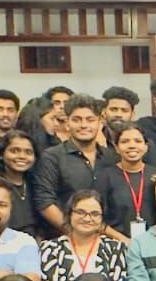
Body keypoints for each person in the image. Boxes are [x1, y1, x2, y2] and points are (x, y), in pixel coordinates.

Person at [38, 190, 129, 281]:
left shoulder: (116, 248)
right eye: (80, 212)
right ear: (69, 214)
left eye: (94, 214)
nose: (87, 218)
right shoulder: (50, 248)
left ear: (102, 219)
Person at [33, 94, 109, 234]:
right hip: (65, 237)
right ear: (67, 123)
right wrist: (76, 233)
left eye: (90, 120)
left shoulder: (111, 157)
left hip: (108, 239)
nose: (84, 125)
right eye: (76, 120)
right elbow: (45, 203)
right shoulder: (52, 157)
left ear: (100, 123)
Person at [99, 122, 156, 243]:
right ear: (116, 147)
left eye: (138, 141)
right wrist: (123, 240)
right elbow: (97, 218)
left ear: (146, 146)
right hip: (116, 243)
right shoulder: (105, 177)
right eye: (125, 141)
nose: (132, 146)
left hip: (153, 243)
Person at [0, 129, 39, 237]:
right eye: (14, 151)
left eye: (28, 152)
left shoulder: (36, 184)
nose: (22, 156)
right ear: (2, 154)